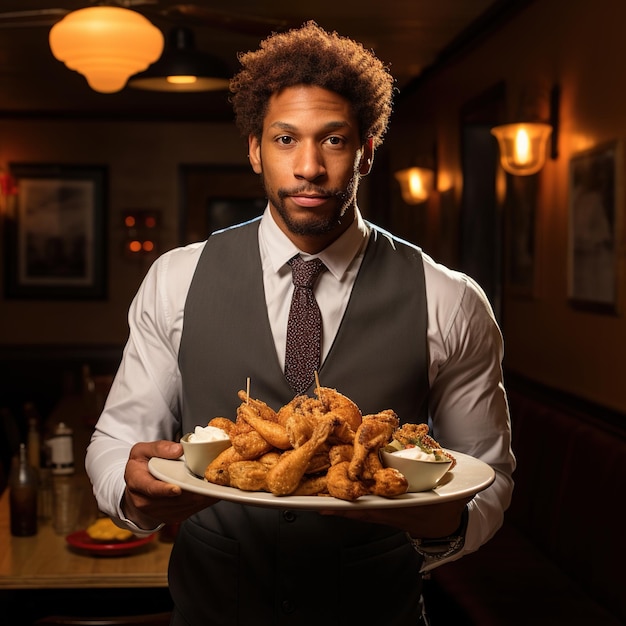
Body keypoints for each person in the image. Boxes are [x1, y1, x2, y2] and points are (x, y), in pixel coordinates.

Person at [86, 21, 515, 626]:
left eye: (333, 140)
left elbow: (488, 475)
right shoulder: (174, 279)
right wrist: (130, 495)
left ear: (367, 148)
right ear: (256, 149)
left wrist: (450, 523)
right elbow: (114, 441)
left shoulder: (451, 300)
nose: (308, 166)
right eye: (285, 139)